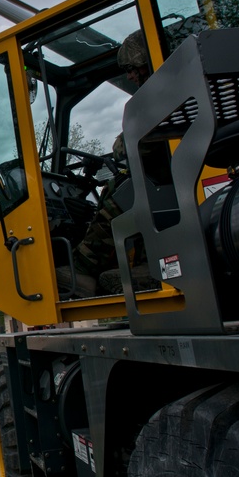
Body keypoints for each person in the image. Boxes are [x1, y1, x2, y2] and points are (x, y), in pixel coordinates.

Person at [57, 29, 161, 298]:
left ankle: (83, 269)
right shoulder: (170, 89)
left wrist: (120, 147)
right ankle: (142, 263)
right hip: (169, 172)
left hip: (170, 175)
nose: (129, 75)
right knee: (121, 185)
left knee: (118, 191)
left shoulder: (162, 94)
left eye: (131, 68)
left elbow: (130, 143)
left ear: (144, 60)